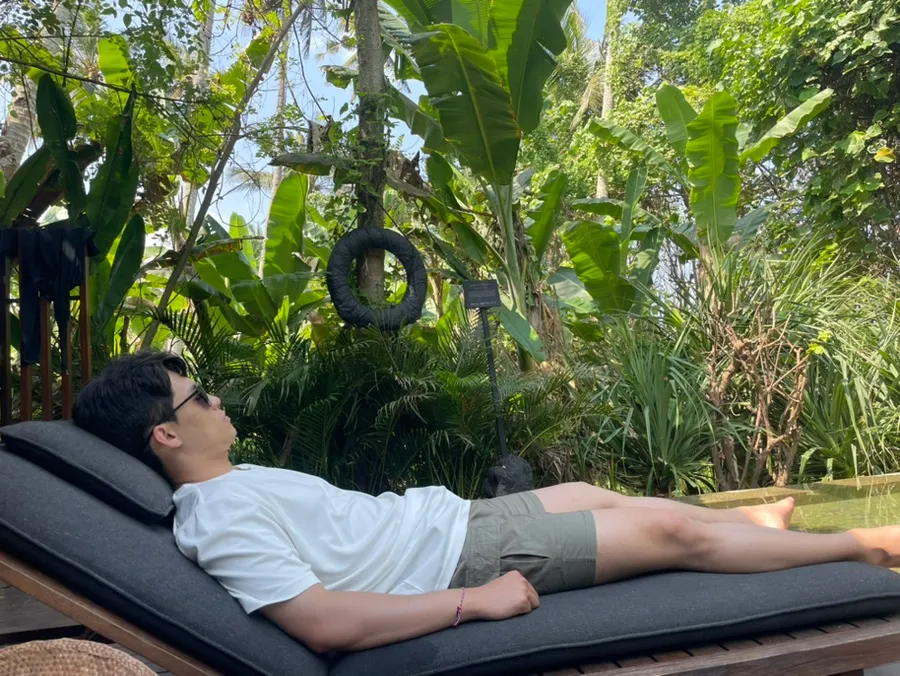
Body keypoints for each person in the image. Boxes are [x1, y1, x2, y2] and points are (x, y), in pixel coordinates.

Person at [73, 351, 900, 654]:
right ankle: (864, 546)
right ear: (166, 436)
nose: (217, 401)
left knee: (595, 492)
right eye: (199, 398)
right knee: (668, 529)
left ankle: (750, 524)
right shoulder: (217, 516)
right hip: (460, 563)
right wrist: (474, 601)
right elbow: (322, 623)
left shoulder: (232, 483)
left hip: (452, 521)